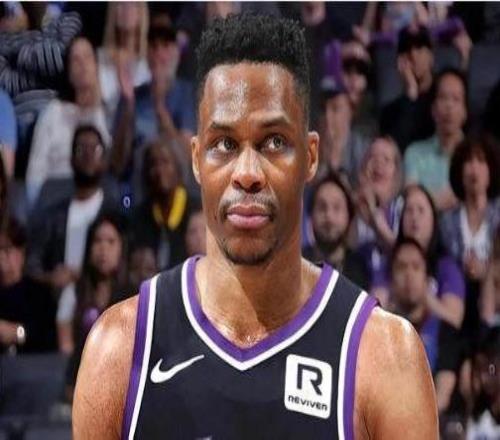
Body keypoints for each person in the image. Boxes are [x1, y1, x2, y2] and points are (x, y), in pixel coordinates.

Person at [73, 14, 437, 439]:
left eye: (274, 141)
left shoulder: (385, 356)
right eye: (224, 144)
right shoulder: (119, 348)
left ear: (310, 156)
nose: (247, 172)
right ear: (196, 159)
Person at [26, 125, 120, 297]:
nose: (88, 155)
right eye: (81, 149)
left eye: (95, 149)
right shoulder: (53, 216)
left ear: (104, 159)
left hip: (106, 304)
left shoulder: (114, 214)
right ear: (71, 159)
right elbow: (31, 265)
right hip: (60, 303)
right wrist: (50, 278)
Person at [25, 36, 111, 207]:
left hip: (96, 194)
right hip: (55, 197)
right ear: (69, 72)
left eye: (87, 57)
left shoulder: (107, 112)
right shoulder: (53, 112)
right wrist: (38, 210)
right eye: (76, 60)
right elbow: (35, 171)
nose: (83, 65)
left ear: (96, 65)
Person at [112, 22, 196, 187]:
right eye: (154, 47)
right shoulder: (132, 96)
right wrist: (128, 107)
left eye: (165, 46)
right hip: (136, 184)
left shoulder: (187, 93)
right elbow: (117, 162)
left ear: (176, 53)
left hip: (176, 186)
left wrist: (159, 106)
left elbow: (188, 156)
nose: (159, 53)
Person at [66, 213, 127, 393]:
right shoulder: (74, 293)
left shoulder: (134, 296)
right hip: (79, 386)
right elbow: (66, 348)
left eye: (110, 242)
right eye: (97, 241)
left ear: (121, 248)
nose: (103, 249)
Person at [398, 184, 466, 330]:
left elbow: (454, 319)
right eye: (409, 210)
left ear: (433, 220)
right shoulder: (389, 262)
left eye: (421, 210)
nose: (414, 217)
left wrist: (422, 293)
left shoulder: (447, 267)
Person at [404, 68, 468, 211]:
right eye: (443, 98)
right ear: (433, 109)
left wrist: (429, 202)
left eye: (456, 99)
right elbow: (412, 203)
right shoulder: (415, 153)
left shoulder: (476, 158)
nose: (449, 106)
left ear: (465, 111)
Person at [127, 140, 193, 270]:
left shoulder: (197, 211)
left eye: (165, 162)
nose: (159, 170)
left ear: (178, 168)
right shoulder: (138, 217)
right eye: (153, 164)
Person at [303, 172, 370, 290]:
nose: (329, 217)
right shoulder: (298, 265)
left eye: (337, 208)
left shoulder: (362, 270)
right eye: (322, 207)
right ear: (311, 215)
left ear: (349, 216)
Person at [0, 217, 57, 354]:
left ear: (21, 252)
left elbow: (46, 337)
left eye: (6, 250)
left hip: (32, 362)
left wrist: (16, 333)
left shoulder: (39, 294)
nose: (1, 257)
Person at [380, 25, 436, 153]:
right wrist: (411, 92)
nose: (413, 55)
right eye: (406, 49)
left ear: (431, 56)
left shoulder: (442, 98)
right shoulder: (389, 113)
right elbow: (395, 150)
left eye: (419, 47)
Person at [98, 2, 150, 127]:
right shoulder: (99, 58)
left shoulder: (150, 61)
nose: (126, 10)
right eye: (121, 4)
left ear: (141, 12)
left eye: (132, 4)